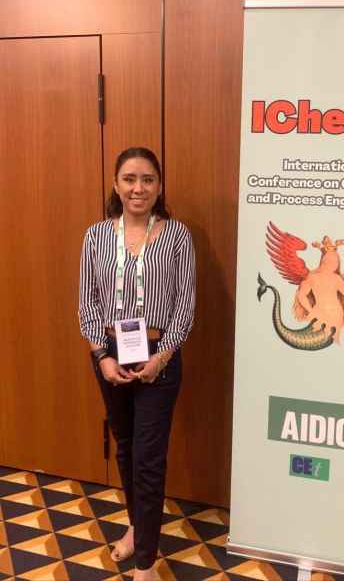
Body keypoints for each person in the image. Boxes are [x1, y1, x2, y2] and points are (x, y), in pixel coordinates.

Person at [78, 146, 195, 581]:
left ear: (159, 186)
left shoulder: (177, 236)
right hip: (111, 355)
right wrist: (102, 356)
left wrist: (162, 356)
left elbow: (185, 305)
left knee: (148, 457)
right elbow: (87, 301)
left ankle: (145, 562)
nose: (138, 188)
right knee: (125, 447)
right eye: (129, 179)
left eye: (147, 179)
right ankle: (136, 525)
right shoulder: (96, 236)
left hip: (160, 355)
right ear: (116, 184)